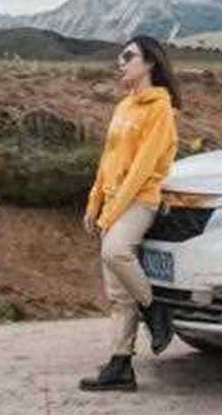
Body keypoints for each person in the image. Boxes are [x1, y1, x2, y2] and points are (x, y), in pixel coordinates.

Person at [78, 34, 182, 393]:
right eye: (120, 56)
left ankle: (156, 310)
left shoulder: (160, 109)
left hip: (140, 199)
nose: (120, 62)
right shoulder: (124, 106)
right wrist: (95, 202)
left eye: (128, 56)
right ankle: (121, 366)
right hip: (113, 200)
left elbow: (141, 169)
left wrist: (110, 216)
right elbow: (108, 161)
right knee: (117, 293)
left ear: (149, 62)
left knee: (115, 251)